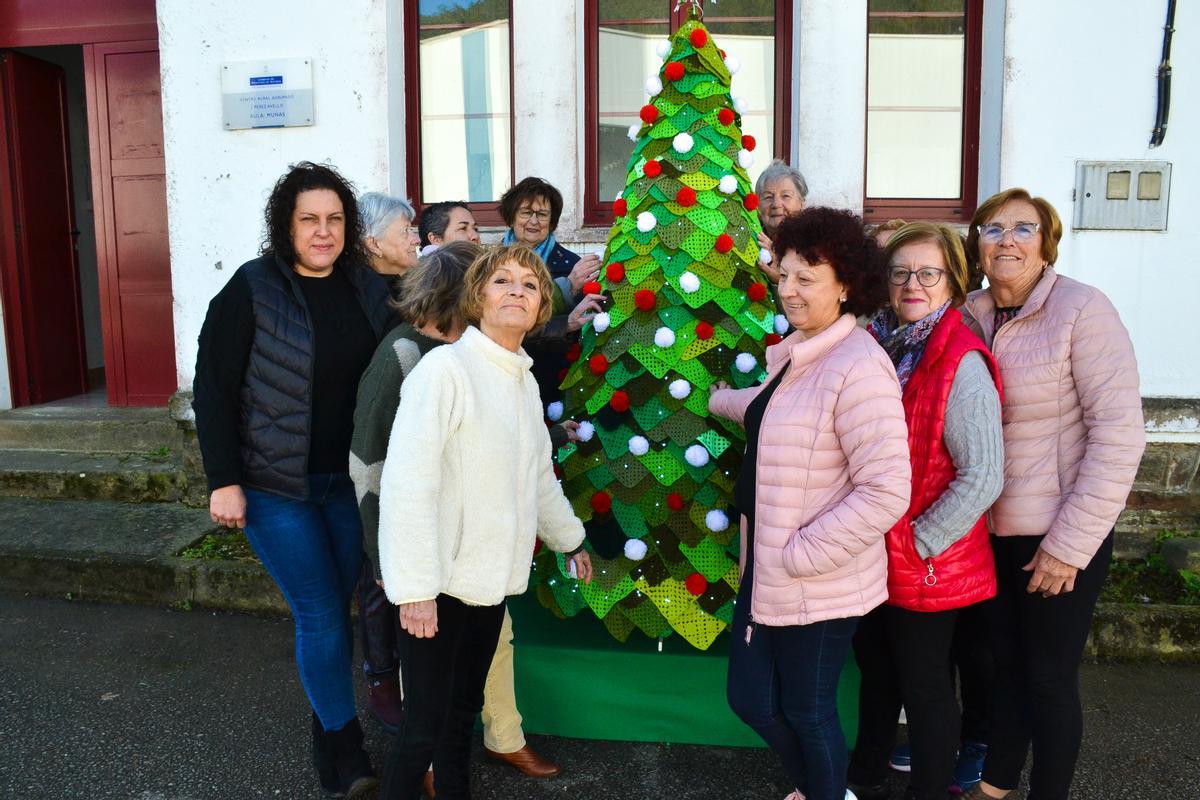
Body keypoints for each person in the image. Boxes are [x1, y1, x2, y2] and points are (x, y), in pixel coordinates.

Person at [193, 161, 394, 798]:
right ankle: (348, 750)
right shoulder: (252, 289)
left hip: (347, 485)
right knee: (318, 613)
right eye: (309, 219)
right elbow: (214, 389)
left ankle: (326, 735)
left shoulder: (367, 288)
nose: (323, 231)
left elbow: (427, 339)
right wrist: (223, 480)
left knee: (338, 611)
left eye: (334, 219)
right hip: (275, 487)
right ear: (286, 225)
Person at [376, 244, 594, 800]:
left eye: (529, 283)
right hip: (439, 585)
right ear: (477, 296)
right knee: (422, 729)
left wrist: (570, 539)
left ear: (544, 302)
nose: (516, 291)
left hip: (490, 585)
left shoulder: (521, 381)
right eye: (502, 281)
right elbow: (407, 486)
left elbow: (538, 477)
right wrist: (415, 589)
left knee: (460, 719)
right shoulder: (445, 371)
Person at [710, 207, 912, 800]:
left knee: (807, 710)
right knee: (749, 699)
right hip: (768, 569)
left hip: (816, 579)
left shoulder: (859, 367)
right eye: (784, 275)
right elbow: (767, 407)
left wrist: (799, 554)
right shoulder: (802, 354)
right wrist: (716, 399)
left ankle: (826, 792)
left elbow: (886, 491)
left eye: (807, 278)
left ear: (846, 285)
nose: (789, 290)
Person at [957, 189, 1145, 800]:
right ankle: (995, 785)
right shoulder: (969, 313)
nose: (1006, 240)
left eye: (1023, 228)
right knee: (1002, 667)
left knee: (1048, 678)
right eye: (992, 228)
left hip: (1058, 533)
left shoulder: (1082, 310)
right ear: (977, 245)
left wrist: (1070, 546)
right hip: (989, 533)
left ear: (1046, 243)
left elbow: (1118, 435)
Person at [847, 222, 1004, 800]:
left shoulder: (959, 359)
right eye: (901, 272)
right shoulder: (878, 343)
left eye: (928, 273)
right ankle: (862, 776)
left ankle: (931, 790)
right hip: (875, 549)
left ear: (953, 283)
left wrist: (921, 540)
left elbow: (985, 473)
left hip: (927, 556)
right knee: (879, 676)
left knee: (926, 686)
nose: (913, 283)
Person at [498, 177, 603, 402]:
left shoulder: (572, 267)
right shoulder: (491, 264)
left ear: (552, 221)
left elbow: (582, 326)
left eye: (542, 214)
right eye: (526, 212)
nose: (534, 221)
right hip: (500, 372)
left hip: (551, 375)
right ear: (511, 217)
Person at [754, 159, 809, 284]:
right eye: (768, 197)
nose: (776, 204)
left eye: (786, 196)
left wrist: (781, 281)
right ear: (757, 205)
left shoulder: (813, 245)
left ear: (802, 203)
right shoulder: (749, 242)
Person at [360, 192, 421, 277]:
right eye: (405, 230)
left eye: (410, 229)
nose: (417, 240)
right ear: (374, 245)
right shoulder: (364, 289)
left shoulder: (424, 282)